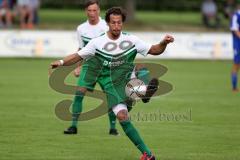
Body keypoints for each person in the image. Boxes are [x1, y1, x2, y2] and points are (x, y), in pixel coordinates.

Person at [50, 7, 174, 160]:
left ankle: (144, 91)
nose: (116, 26)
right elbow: (77, 56)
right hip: (111, 85)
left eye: (119, 23)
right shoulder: (97, 43)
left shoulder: (131, 40)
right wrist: (61, 62)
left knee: (141, 68)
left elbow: (155, 50)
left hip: (128, 78)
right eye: (113, 23)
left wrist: (164, 42)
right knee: (122, 117)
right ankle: (148, 154)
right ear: (107, 23)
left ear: (122, 23)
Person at [64, 0, 156, 136]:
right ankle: (73, 126)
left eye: (94, 10)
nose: (92, 13)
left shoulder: (107, 25)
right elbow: (82, 49)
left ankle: (112, 128)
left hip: (107, 67)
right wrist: (78, 67)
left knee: (111, 96)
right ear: (86, 12)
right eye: (89, 10)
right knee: (79, 92)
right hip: (90, 66)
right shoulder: (81, 28)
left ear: (99, 11)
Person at [230, 0, 240, 92]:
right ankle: (234, 87)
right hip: (238, 44)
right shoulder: (236, 16)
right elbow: (234, 29)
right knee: (237, 65)